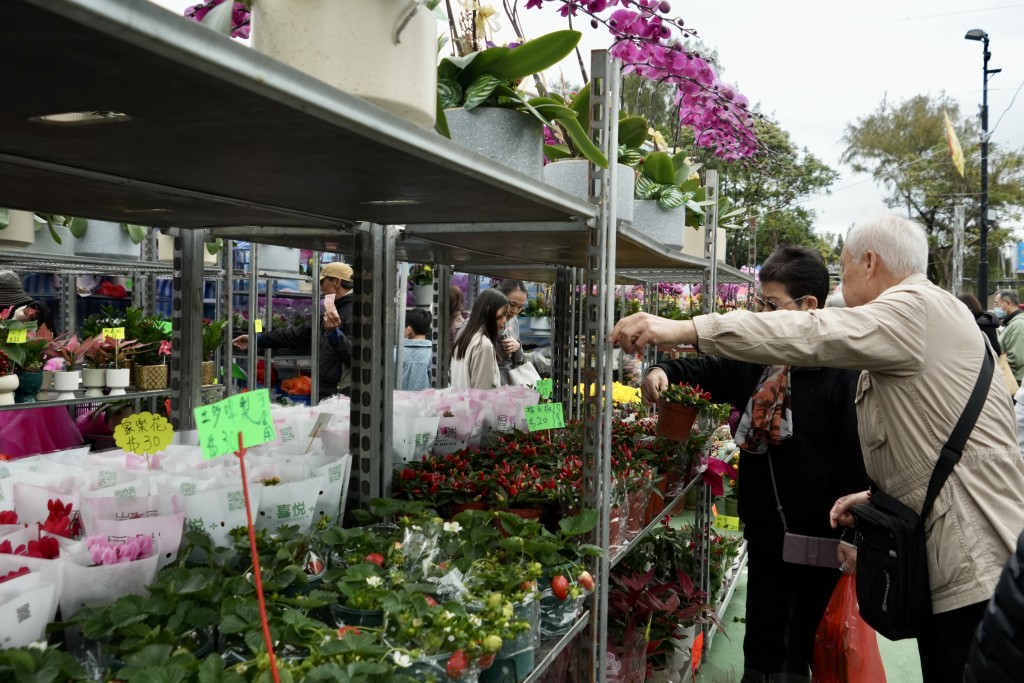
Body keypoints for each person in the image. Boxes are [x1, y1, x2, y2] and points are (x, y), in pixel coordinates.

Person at [611, 214, 1024, 683]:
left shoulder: (914, 308)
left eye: (844, 269)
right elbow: (936, 442)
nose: (841, 286)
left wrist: (682, 329)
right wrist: (875, 499)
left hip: (973, 562)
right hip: (961, 556)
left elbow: (811, 332)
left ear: (869, 262)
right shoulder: (923, 318)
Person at [642, 246, 868, 682]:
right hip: (766, 532)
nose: (760, 314)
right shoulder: (759, 363)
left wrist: (855, 534)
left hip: (823, 539)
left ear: (808, 307)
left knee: (809, 643)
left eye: (770, 305)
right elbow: (703, 368)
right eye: (759, 303)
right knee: (762, 642)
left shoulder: (843, 370)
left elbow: (857, 461)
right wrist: (662, 369)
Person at [233, 261, 354, 400]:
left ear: (337, 282)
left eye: (322, 282)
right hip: (327, 392)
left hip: (343, 394)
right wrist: (257, 339)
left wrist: (334, 334)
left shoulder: (354, 313)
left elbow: (354, 356)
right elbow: (296, 334)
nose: (320, 287)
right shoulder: (333, 311)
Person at [451, 288, 508, 390]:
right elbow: (483, 396)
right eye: (503, 314)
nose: (505, 321)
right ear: (488, 311)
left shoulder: (464, 336)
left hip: (459, 403)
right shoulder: (484, 345)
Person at [494, 280, 528, 385]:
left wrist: (518, 347)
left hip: (510, 384)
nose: (514, 311)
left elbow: (519, 362)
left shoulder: (514, 321)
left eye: (520, 307)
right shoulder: (481, 323)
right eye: (512, 304)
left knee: (546, 392)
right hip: (492, 385)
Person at [993, 289, 1024, 381]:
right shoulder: (1012, 323)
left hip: (1014, 383)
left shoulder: (1018, 325)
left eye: (996, 304)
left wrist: (997, 373)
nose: (994, 307)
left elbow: (1016, 359)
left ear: (1007, 303)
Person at [401, 308, 433, 391]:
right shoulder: (434, 354)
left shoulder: (395, 353)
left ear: (408, 330)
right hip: (426, 403)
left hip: (398, 403)